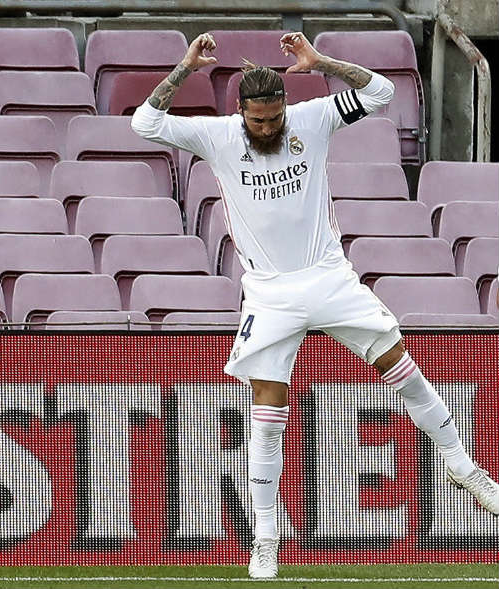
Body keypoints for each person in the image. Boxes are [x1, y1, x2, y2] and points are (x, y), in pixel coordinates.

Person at [132, 32, 499, 579]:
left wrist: (320, 62)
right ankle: (264, 541)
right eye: (257, 120)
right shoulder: (216, 136)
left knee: (406, 374)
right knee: (268, 419)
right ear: (241, 112)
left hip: (330, 279)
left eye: (274, 117)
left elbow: (377, 94)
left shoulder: (310, 119)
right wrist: (186, 67)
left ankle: (466, 470)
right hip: (270, 293)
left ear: (284, 106)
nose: (267, 128)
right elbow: (144, 122)